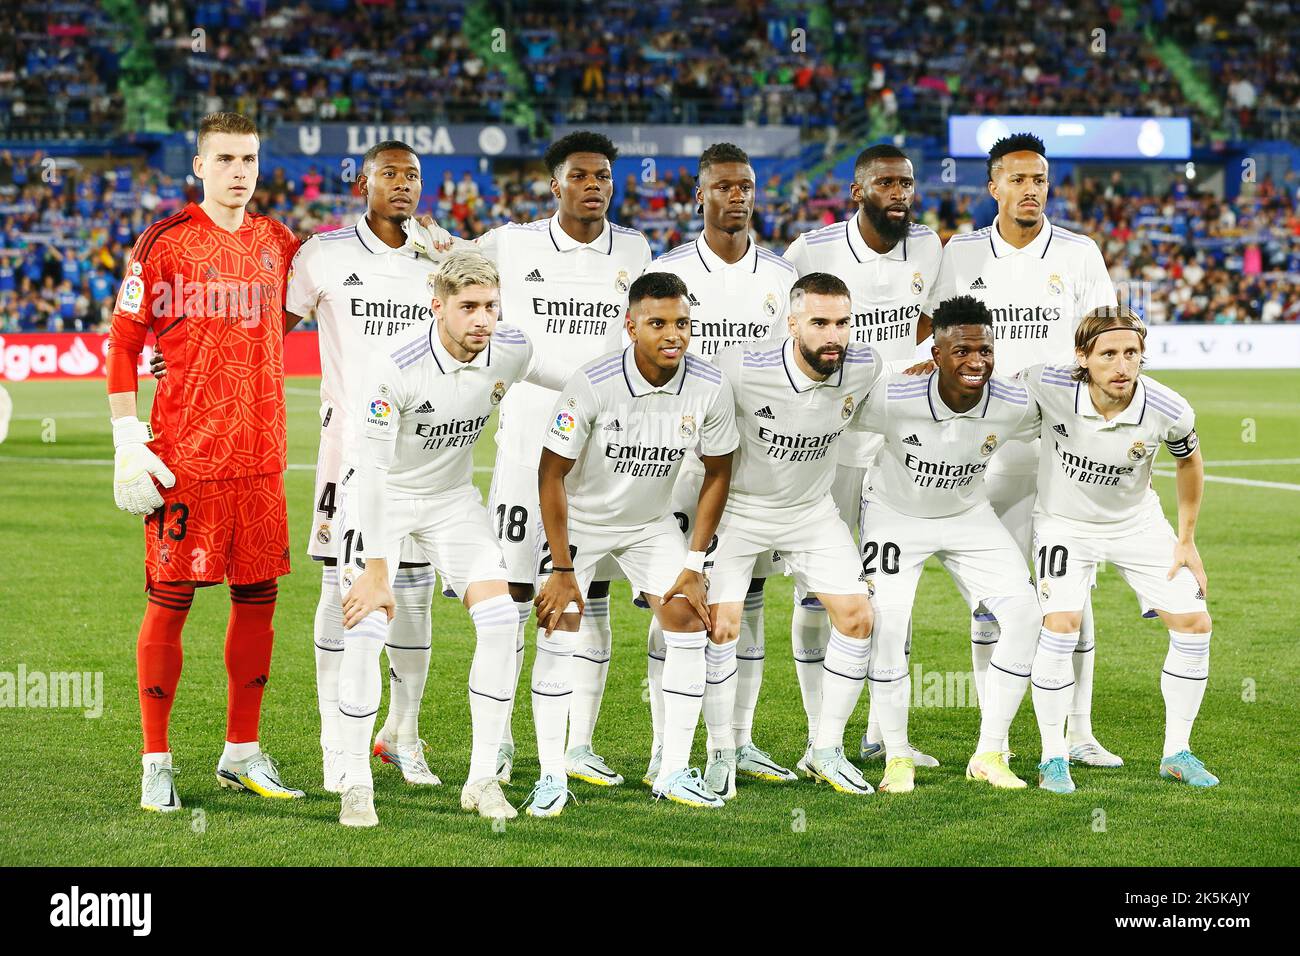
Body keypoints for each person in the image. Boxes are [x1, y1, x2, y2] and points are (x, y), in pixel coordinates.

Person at [408, 131, 652, 789]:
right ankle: (505, 741)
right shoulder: (512, 244)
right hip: (525, 446)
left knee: (587, 595)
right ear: (555, 184)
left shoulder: (634, 248)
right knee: (515, 596)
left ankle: (578, 744)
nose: (594, 185)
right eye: (580, 175)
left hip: (603, 451)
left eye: (603, 175)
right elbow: (445, 264)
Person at [106, 111, 303, 813]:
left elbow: (302, 309)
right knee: (171, 603)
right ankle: (155, 759)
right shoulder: (164, 244)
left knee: (260, 603)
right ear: (199, 167)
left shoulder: (279, 242)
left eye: (248, 158)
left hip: (259, 461)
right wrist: (127, 439)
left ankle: (241, 752)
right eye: (224, 159)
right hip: (185, 460)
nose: (239, 171)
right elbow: (125, 342)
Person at [333, 251, 565, 825]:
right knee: (367, 625)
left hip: (452, 501)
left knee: (501, 619)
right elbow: (375, 472)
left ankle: (482, 778)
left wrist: (621, 382)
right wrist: (377, 568)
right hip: (379, 498)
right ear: (437, 308)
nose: (482, 319)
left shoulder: (509, 347)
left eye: (490, 306)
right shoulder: (396, 365)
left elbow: (561, 377)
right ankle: (356, 783)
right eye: (468, 307)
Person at [926, 132, 1121, 766]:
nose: (1029, 189)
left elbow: (1106, 338)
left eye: (1038, 178)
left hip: (1066, 447)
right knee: (995, 599)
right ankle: (998, 734)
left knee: (1071, 595)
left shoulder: (1080, 252)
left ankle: (1080, 732)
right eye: (1016, 179)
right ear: (993, 187)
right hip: (988, 447)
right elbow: (936, 338)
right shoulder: (960, 253)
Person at [529, 271, 738, 815]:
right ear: (630, 325)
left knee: (691, 620)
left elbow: (719, 471)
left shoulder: (710, 385)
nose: (674, 334)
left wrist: (694, 562)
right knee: (561, 622)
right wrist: (561, 564)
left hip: (649, 524)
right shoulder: (593, 382)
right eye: (659, 323)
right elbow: (551, 475)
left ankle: (672, 770)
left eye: (683, 323)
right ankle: (552, 773)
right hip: (579, 523)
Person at [637, 141, 799, 787]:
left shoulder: (783, 278)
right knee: (674, 603)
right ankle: (662, 748)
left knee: (747, 604)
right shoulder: (671, 270)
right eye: (724, 187)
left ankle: (738, 740)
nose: (737, 196)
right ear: (699, 195)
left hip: (755, 465)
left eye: (747, 186)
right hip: (677, 464)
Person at [782, 143, 943, 767]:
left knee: (888, 586)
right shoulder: (811, 251)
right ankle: (818, 730)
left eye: (907, 182)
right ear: (858, 191)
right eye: (887, 183)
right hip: (832, 447)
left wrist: (908, 368)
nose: (900, 193)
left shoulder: (928, 247)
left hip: (900, 444)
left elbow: (927, 321)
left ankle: (882, 732)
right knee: (818, 591)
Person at [1020, 306, 1216, 793]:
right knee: (1061, 626)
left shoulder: (1168, 408)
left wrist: (1186, 539)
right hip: (1064, 524)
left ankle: (1177, 752)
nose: (1122, 365)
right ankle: (1053, 756)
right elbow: (985, 378)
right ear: (1083, 357)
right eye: (1108, 354)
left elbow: (1190, 462)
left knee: (1195, 623)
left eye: (1132, 353)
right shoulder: (1049, 384)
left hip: (1136, 523)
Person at [852, 296, 1043, 793]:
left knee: (1025, 613)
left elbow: (1067, 417)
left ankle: (991, 752)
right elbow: (835, 415)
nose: (976, 362)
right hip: (895, 517)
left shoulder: (1013, 401)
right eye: (961, 351)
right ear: (934, 354)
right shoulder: (894, 396)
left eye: (984, 350)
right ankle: (896, 755)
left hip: (967, 516)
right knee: (887, 625)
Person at [706, 273, 883, 796]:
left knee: (857, 619)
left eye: (844, 323)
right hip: (740, 511)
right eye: (820, 323)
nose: (835, 335)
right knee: (722, 627)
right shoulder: (740, 367)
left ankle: (824, 750)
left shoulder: (864, 366)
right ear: (792, 323)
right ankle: (722, 750)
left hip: (811, 512)